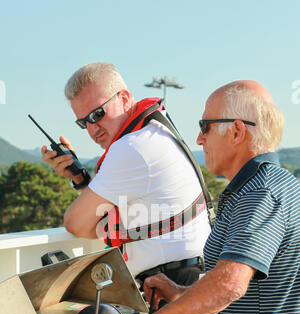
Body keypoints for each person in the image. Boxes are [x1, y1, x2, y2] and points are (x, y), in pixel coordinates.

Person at [81, 80, 300, 314]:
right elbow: (257, 293)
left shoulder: (260, 194)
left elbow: (230, 285)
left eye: (204, 127)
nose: (199, 140)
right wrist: (182, 293)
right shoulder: (273, 185)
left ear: (236, 130)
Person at [41, 62, 212, 288]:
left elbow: (76, 223)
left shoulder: (131, 147)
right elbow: (105, 216)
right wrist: (81, 179)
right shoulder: (156, 131)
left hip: (171, 284)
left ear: (124, 98)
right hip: (188, 278)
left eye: (97, 114)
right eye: (83, 123)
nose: (93, 129)